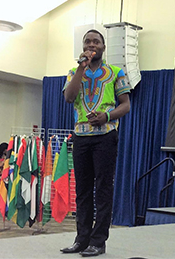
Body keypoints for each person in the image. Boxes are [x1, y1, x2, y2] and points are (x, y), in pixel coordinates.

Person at [60, 29, 131, 257]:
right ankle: (81, 240)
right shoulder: (73, 71)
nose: (92, 45)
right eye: (88, 41)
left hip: (105, 136)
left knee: (102, 188)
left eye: (96, 41)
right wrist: (81, 67)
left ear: (103, 46)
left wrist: (106, 116)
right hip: (80, 137)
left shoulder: (116, 72)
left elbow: (126, 105)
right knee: (81, 190)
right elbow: (69, 98)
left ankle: (98, 242)